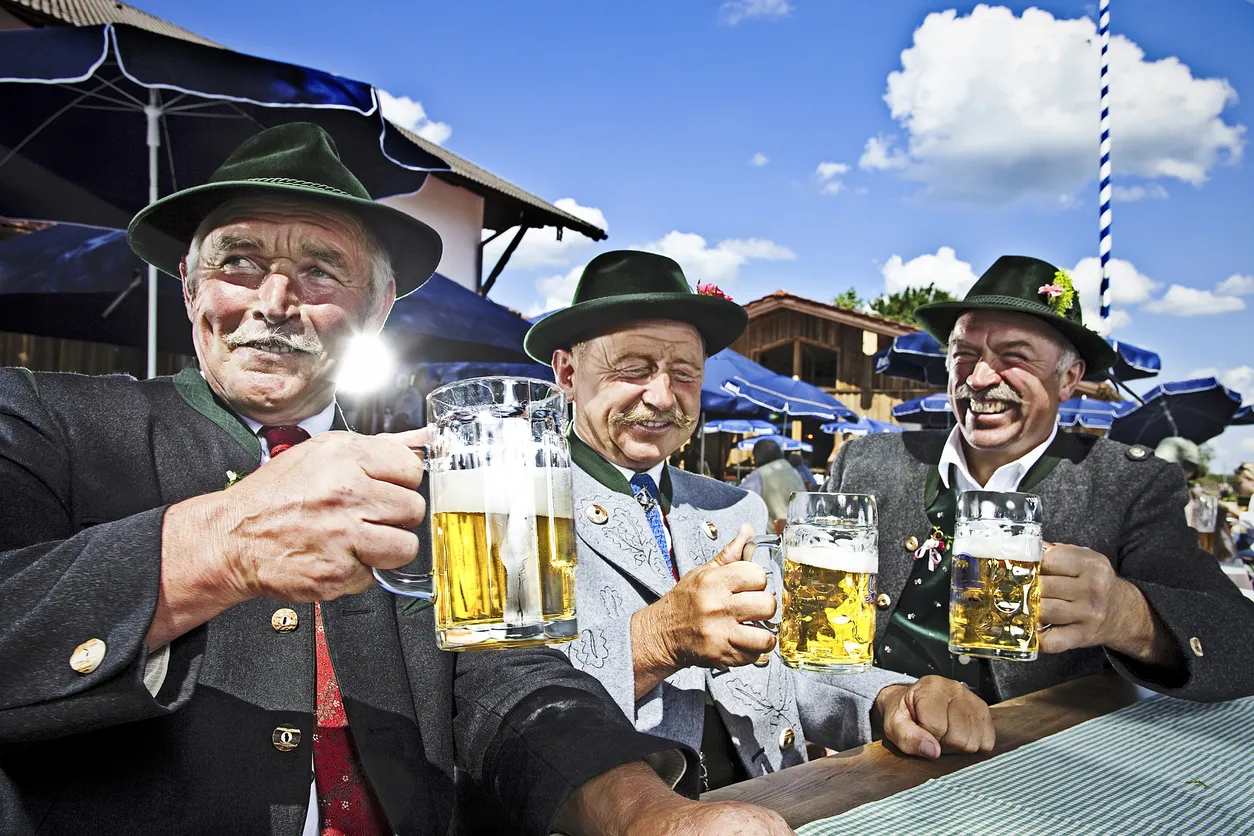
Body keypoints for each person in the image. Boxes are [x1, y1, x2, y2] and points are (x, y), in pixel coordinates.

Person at [0, 126, 793, 836]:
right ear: (190, 285)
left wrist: (646, 816)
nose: (274, 301)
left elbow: (512, 678)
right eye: (238, 262)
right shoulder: (46, 422)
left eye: (320, 272)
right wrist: (218, 544)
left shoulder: (428, 482)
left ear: (377, 309)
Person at [524, 250, 995, 794]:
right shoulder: (508, 508)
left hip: (775, 800)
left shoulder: (734, 509)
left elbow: (788, 667)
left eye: (685, 373)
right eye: (633, 369)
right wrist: (656, 639)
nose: (661, 395)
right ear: (566, 372)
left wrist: (891, 699)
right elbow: (497, 698)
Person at [824, 255, 1254, 703]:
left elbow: (1241, 643)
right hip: (871, 745)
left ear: (1068, 379)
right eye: (964, 354)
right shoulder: (867, 460)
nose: (980, 377)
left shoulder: (1128, 484)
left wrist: (1128, 615)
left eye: (1014, 357)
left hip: (1029, 758)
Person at [740, 438, 807, 523]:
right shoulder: (792, 470)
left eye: (754, 458)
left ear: (758, 457)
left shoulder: (760, 474)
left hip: (774, 531)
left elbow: (740, 498)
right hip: (799, 527)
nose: (754, 462)